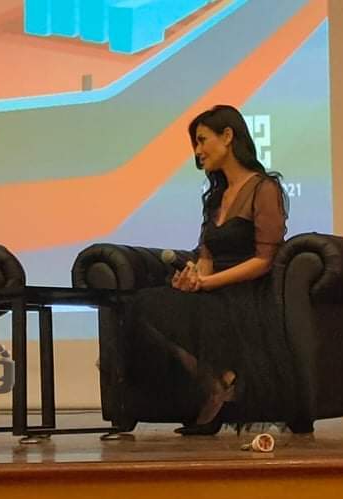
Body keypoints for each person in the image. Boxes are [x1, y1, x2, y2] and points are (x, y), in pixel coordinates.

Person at [124, 104, 298, 435]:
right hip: (214, 289)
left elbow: (264, 260)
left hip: (247, 292)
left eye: (202, 140)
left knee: (179, 309)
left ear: (228, 136)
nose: (198, 151)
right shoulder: (216, 196)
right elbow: (206, 255)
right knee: (143, 305)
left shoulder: (264, 188)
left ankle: (224, 384)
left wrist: (209, 283)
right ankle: (218, 382)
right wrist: (193, 277)